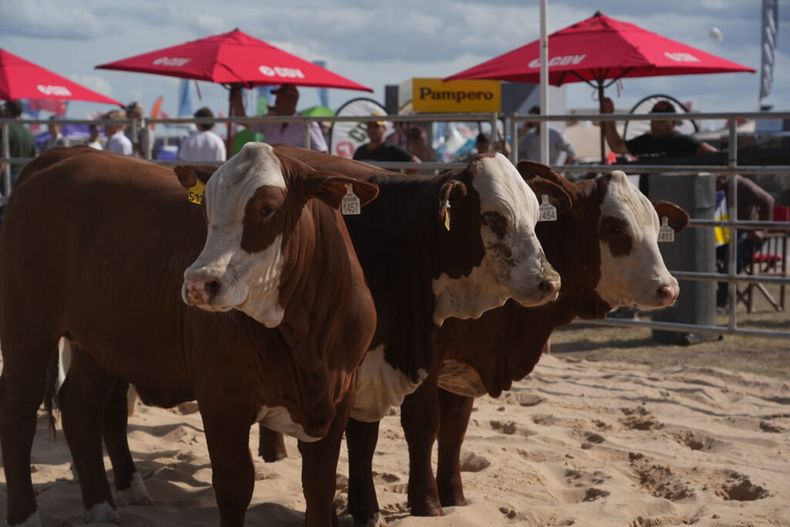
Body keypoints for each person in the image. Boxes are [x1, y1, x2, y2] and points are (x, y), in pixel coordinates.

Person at [715, 175, 775, 310]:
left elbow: (768, 200)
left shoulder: (739, 184)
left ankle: (721, 302)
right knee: (703, 254)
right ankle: (705, 297)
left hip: (749, 235)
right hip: (726, 234)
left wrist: (761, 229)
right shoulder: (714, 187)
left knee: (730, 261)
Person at [601, 97, 717, 158]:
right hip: (647, 200)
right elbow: (616, 147)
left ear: (673, 123)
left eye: (660, 121)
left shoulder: (685, 142)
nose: (655, 125)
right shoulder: (645, 141)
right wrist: (609, 116)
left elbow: (715, 155)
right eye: (653, 120)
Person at [232, 84, 328, 152]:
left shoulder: (307, 124)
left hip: (294, 176)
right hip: (268, 171)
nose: (277, 102)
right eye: (277, 98)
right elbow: (241, 119)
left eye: (281, 99)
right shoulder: (271, 119)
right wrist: (236, 90)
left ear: (293, 101)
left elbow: (322, 152)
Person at [0, 100, 37, 187]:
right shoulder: (28, 133)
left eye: (5, 108)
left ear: (9, 111)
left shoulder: (5, 130)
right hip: (25, 177)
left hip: (8, 176)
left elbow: (1, 155)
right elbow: (34, 156)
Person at [353, 120, 419, 164]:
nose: (372, 130)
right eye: (370, 126)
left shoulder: (392, 149)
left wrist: (403, 179)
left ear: (384, 129)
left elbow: (416, 163)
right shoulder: (360, 150)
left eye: (376, 126)